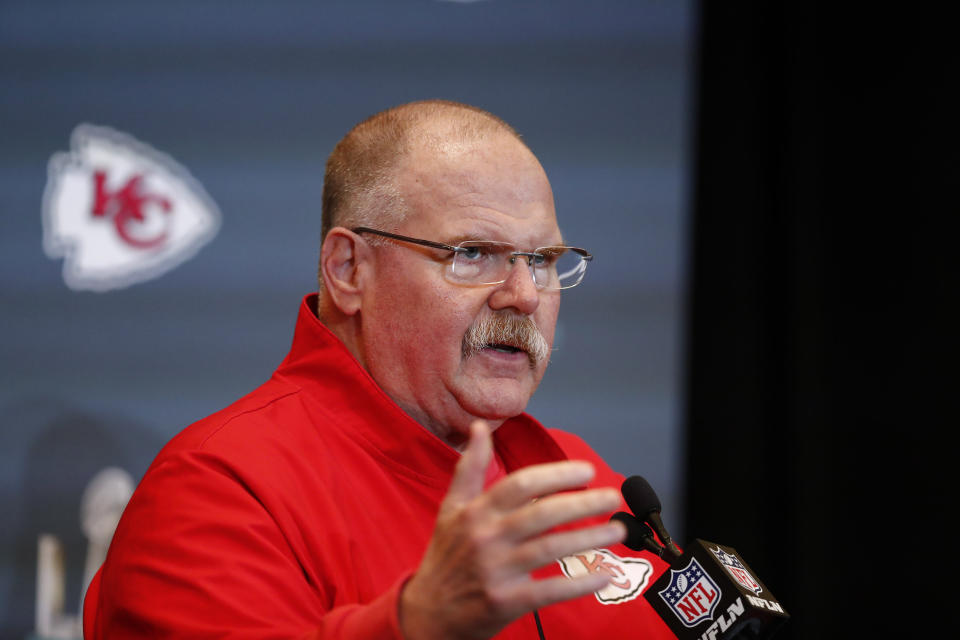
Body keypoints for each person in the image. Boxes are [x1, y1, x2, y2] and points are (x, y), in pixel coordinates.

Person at [84, 100, 675, 639]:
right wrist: (416, 624)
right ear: (348, 270)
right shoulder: (218, 489)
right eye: (471, 253)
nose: (523, 293)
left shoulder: (582, 478)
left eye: (543, 260)